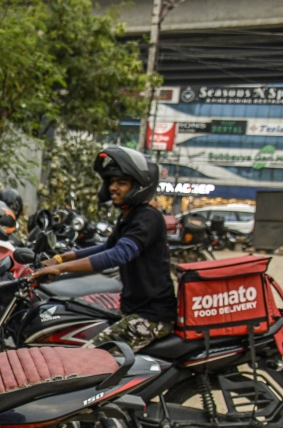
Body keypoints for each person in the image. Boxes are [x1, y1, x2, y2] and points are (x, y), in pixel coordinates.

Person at [31, 147, 177, 351]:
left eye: (122, 183)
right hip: (133, 309)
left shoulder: (147, 218)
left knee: (90, 360)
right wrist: (60, 259)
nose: (113, 188)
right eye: (112, 182)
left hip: (151, 316)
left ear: (139, 186)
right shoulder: (130, 216)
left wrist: (62, 269)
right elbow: (106, 247)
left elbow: (118, 254)